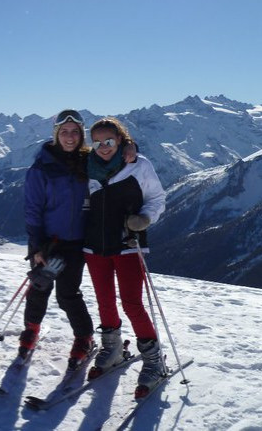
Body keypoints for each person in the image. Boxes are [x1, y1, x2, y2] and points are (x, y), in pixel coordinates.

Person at [21, 110, 137, 367]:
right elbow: (32, 209)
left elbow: (114, 154)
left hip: (76, 243)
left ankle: (84, 337)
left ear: (82, 135)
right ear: (56, 134)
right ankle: (31, 328)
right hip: (47, 242)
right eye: (64, 132)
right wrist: (37, 246)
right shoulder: (42, 167)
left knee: (68, 294)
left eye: (75, 132)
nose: (70, 137)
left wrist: (130, 145)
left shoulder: (89, 160)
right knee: (39, 287)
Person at [83, 117, 166, 396]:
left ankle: (154, 360)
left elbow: (157, 198)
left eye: (109, 140)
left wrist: (145, 218)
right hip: (94, 245)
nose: (103, 146)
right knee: (104, 299)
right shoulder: (86, 167)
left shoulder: (138, 165)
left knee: (132, 303)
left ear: (120, 139)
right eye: (97, 142)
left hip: (128, 243)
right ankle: (113, 348)